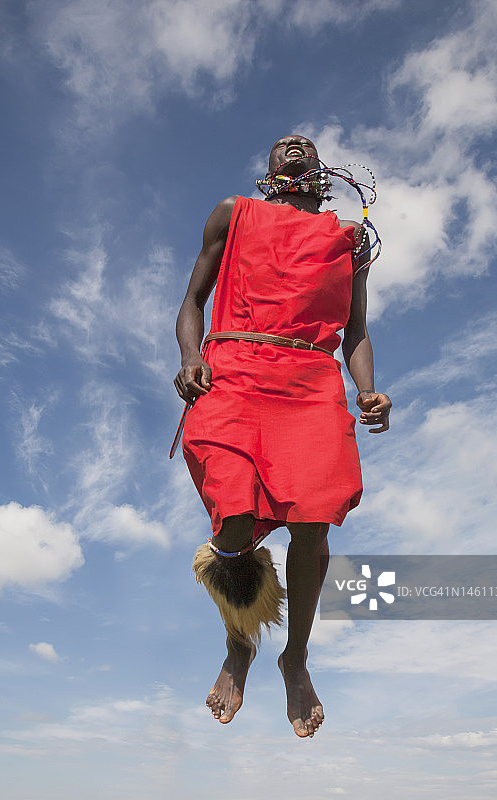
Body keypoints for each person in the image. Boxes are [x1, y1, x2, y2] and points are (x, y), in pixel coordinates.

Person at [174, 135, 391, 738]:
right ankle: (239, 642)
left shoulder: (348, 238)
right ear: (269, 170)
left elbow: (356, 330)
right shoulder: (233, 214)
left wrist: (369, 389)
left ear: (321, 170)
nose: (293, 143)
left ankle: (294, 657)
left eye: (304, 144)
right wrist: (191, 356)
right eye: (281, 145)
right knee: (234, 519)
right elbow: (192, 302)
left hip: (310, 380)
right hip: (234, 371)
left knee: (312, 522)